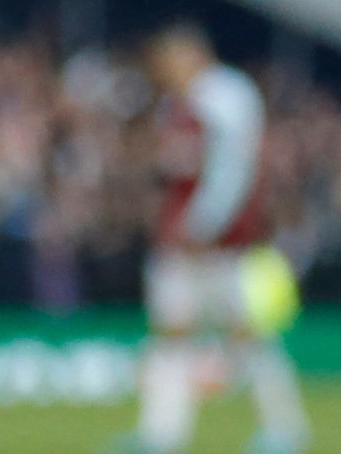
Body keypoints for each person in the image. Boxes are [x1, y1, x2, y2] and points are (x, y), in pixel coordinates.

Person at [110, 23, 310, 454]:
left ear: (190, 54)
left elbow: (231, 169)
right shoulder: (176, 103)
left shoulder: (225, 95)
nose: (162, 70)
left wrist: (204, 224)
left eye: (167, 60)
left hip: (220, 242)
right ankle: (161, 434)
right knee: (171, 332)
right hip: (183, 239)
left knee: (245, 333)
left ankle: (284, 428)